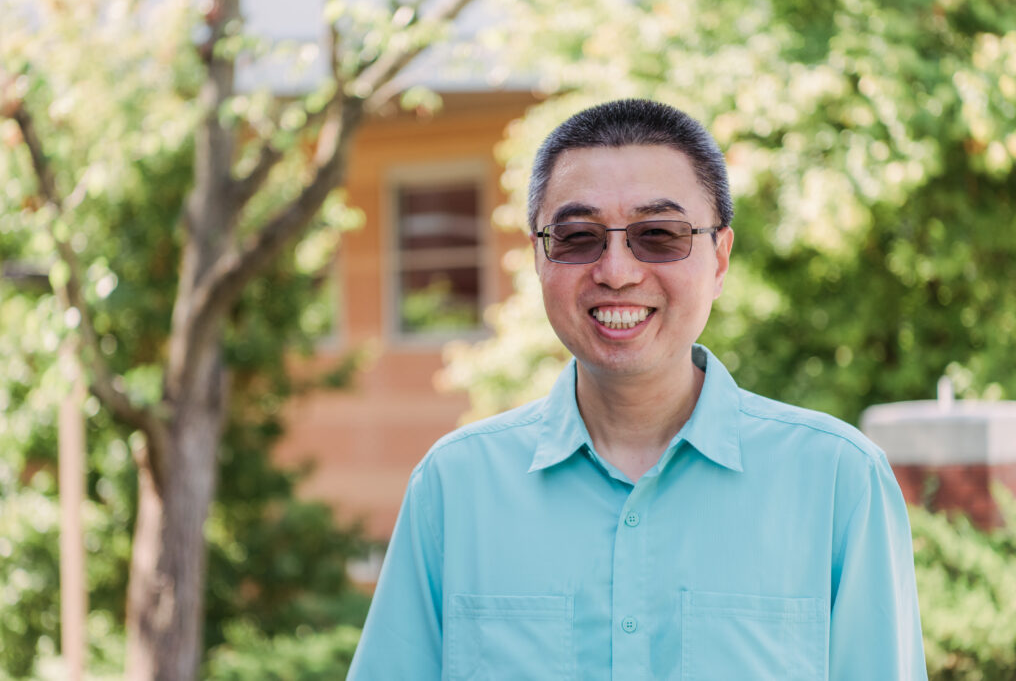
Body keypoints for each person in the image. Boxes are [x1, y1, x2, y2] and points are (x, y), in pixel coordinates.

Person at [347, 99, 926, 680]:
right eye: (578, 236)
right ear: (538, 258)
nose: (617, 271)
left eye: (659, 235)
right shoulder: (455, 486)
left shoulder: (837, 482)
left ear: (720, 259)